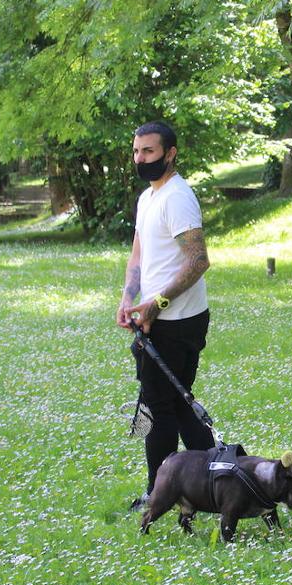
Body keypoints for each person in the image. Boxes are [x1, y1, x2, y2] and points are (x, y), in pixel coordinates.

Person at [116, 120, 214, 509]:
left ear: (170, 153)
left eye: (149, 152)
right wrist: (128, 299)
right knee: (176, 403)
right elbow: (139, 255)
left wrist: (157, 303)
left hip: (178, 321)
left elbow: (198, 261)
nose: (141, 159)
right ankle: (218, 475)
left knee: (159, 409)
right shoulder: (148, 197)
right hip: (154, 318)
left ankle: (160, 494)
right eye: (137, 152)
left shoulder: (177, 197)